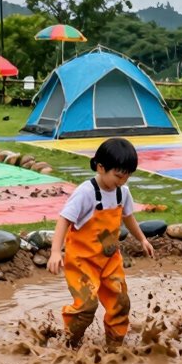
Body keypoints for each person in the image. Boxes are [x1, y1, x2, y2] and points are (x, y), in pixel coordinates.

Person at [47, 138, 156, 348]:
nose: (123, 180)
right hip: (82, 262)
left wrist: (142, 239)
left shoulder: (121, 192)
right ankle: (69, 343)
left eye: (127, 176)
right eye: (118, 175)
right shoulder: (86, 192)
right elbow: (64, 219)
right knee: (87, 306)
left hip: (109, 261)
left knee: (121, 303)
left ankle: (114, 348)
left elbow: (128, 217)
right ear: (100, 167)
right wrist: (54, 251)